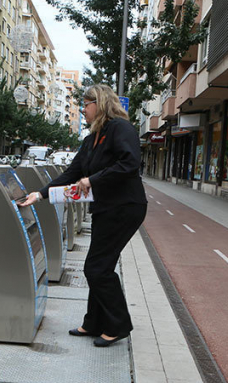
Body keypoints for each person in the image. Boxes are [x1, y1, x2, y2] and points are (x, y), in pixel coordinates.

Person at [20, 84, 148, 347]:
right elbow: (72, 173)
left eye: (85, 104)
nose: (82, 110)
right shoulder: (92, 140)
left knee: (97, 268)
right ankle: (94, 323)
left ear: (99, 103)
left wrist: (93, 180)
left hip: (125, 207)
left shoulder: (120, 129)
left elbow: (129, 163)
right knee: (99, 266)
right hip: (106, 207)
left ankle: (118, 325)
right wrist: (41, 194)